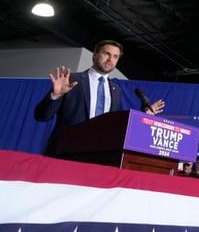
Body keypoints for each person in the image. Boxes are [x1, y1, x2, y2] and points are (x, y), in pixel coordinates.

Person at [33, 40, 165, 154]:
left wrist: (144, 116)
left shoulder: (116, 90)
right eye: (106, 54)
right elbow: (41, 116)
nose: (110, 59)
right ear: (94, 55)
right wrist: (55, 95)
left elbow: (115, 123)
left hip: (98, 153)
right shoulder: (71, 80)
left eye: (115, 56)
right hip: (65, 150)